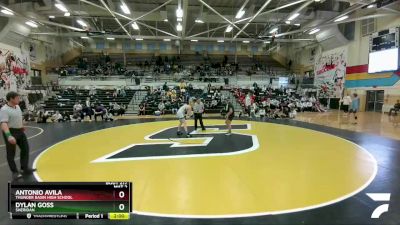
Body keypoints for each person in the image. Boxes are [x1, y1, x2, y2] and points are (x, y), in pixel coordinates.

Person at [0, 91, 36, 180]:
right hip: (10, 132)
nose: (19, 99)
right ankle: (15, 172)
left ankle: (24, 168)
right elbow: (4, 123)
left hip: (20, 131)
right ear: (11, 99)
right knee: (11, 153)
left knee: (25, 149)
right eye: (17, 98)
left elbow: (18, 117)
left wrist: (21, 125)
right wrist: (9, 136)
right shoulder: (4, 109)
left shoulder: (18, 107)